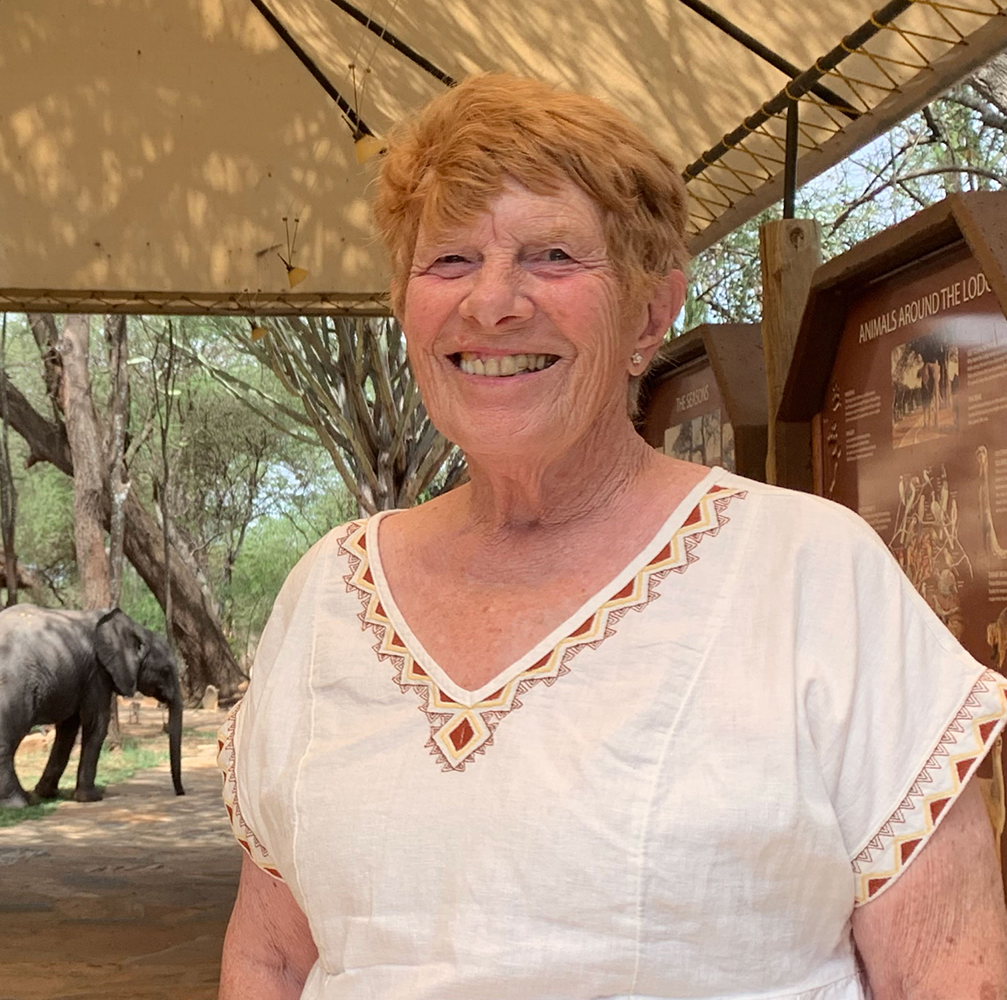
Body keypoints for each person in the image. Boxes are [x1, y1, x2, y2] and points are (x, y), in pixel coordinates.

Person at [217, 73, 1007, 999]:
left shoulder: (812, 575)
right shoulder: (326, 598)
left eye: (552, 255)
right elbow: (271, 957)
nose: (492, 303)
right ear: (404, 306)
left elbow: (948, 976)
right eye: (448, 262)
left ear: (651, 308)